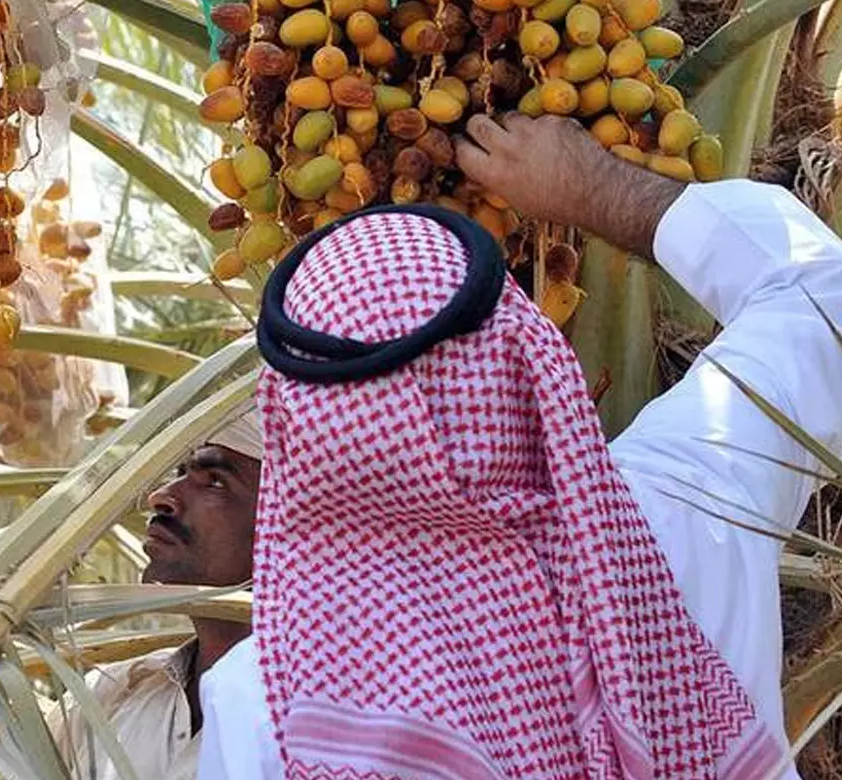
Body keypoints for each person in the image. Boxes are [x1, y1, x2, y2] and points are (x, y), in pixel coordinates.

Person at [196, 113, 842, 780]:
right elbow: (822, 304)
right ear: (524, 354)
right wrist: (595, 187)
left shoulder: (266, 703)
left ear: (298, 421)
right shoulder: (685, 506)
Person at [47, 409, 263, 780]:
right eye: (180, 473)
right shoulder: (108, 697)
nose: (161, 497)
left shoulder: (329, 730)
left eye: (214, 481)